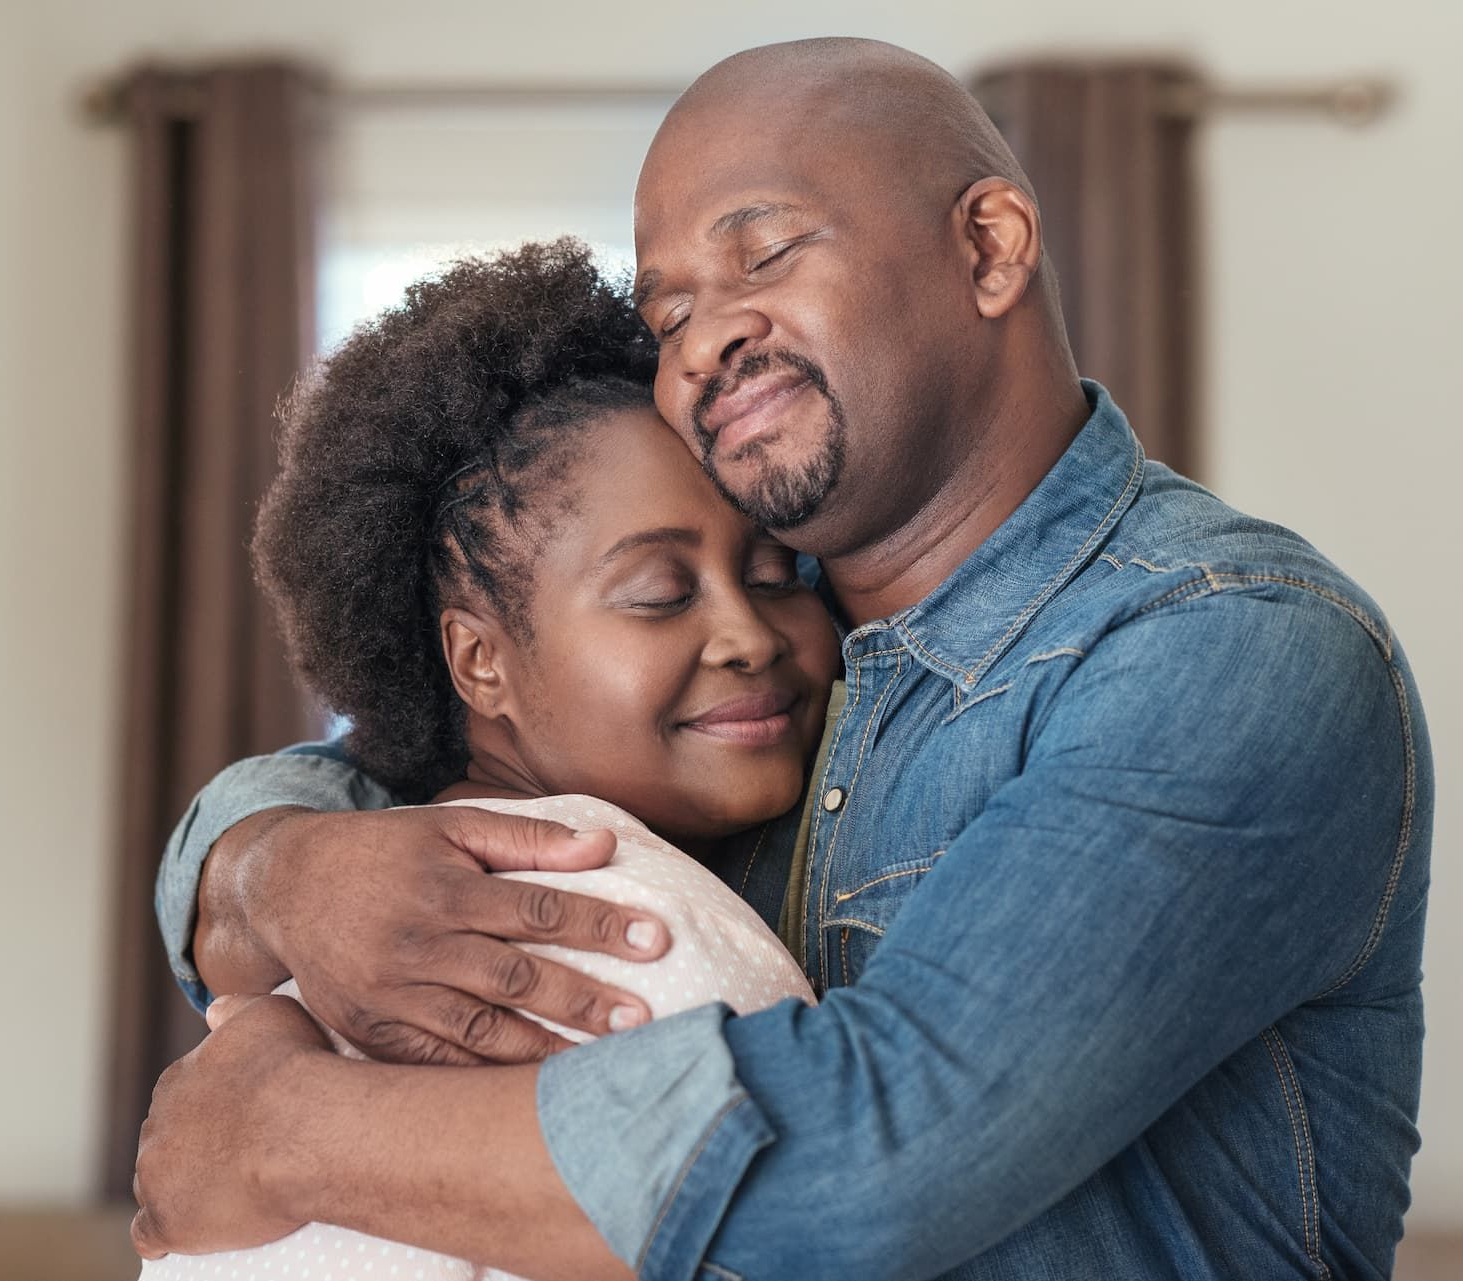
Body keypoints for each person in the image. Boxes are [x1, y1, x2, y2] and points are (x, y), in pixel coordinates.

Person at [134, 37, 1433, 1281]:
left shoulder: (1223, 646)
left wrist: (280, 1132)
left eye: (759, 252)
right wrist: (279, 869)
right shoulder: (768, 643)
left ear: (987, 246)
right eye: (671, 312)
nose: (702, 339)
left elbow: (873, 1162)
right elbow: (375, 779)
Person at [139, 240, 833, 1281]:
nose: (747, 633)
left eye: (779, 574)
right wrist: (267, 867)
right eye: (657, 593)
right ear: (478, 660)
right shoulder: (572, 931)